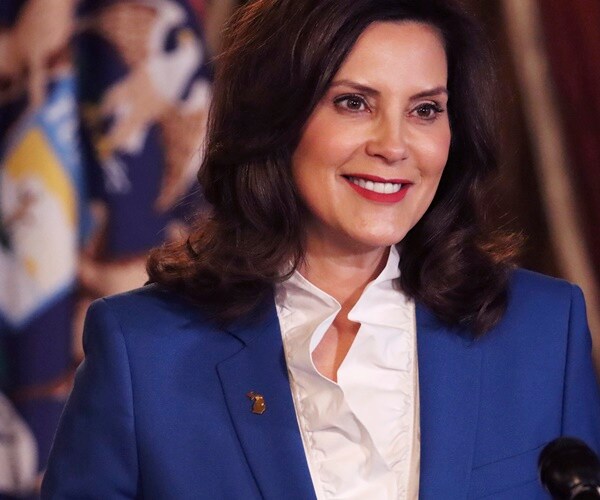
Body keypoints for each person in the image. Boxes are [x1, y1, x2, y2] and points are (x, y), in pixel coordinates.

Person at [42, 0, 600, 498]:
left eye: (425, 109)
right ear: (276, 118)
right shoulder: (141, 352)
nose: (394, 146)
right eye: (354, 103)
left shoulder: (543, 329)